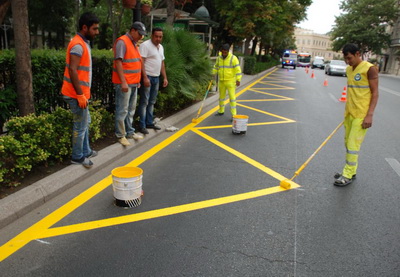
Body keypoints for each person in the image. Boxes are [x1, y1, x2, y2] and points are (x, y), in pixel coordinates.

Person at [334, 43, 379, 186]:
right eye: (346, 59)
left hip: (361, 114)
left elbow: (375, 93)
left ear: (358, 54)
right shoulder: (349, 69)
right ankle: (351, 171)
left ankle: (347, 175)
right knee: (348, 143)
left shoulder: (369, 69)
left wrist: (369, 115)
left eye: (350, 58)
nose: (348, 61)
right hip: (350, 113)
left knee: (353, 146)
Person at [61, 12, 100, 168]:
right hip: (76, 95)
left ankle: (86, 150)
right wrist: (80, 95)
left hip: (81, 94)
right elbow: (73, 70)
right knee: (80, 125)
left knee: (85, 122)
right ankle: (77, 156)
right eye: (95, 29)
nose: (97, 32)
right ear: (85, 28)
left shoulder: (83, 43)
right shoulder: (78, 45)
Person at [112, 21, 146, 146]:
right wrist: (123, 82)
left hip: (133, 83)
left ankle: (129, 131)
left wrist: (137, 81)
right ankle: (121, 135)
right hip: (124, 84)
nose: (141, 37)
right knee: (122, 110)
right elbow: (118, 62)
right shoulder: (122, 41)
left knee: (131, 109)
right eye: (139, 34)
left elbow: (136, 62)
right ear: (132, 30)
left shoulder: (133, 43)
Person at [138, 27, 168, 135]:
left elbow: (162, 63)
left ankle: (149, 122)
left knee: (151, 101)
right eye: (156, 36)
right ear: (152, 36)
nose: (158, 39)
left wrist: (165, 77)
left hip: (156, 77)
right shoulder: (145, 45)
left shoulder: (161, 47)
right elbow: (141, 62)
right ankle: (142, 125)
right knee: (144, 101)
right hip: (148, 77)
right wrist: (145, 77)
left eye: (160, 37)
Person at [212, 43, 242, 119]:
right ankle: (221, 111)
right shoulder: (219, 58)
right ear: (221, 51)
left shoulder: (233, 58)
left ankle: (234, 115)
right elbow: (216, 66)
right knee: (221, 98)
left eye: (225, 52)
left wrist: (238, 79)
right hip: (221, 81)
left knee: (232, 98)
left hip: (230, 82)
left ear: (228, 51)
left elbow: (238, 70)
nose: (224, 53)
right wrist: (213, 73)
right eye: (223, 52)